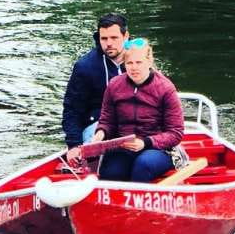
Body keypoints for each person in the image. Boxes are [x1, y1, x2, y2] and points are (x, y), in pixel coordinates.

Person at [75, 38, 184, 183]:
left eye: (139, 62)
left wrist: (146, 142)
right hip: (124, 146)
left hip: (157, 148)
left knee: (143, 165)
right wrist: (100, 133)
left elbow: (175, 133)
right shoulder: (115, 85)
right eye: (129, 63)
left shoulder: (166, 88)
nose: (134, 68)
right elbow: (107, 120)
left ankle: (138, 203)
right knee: (111, 171)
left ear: (149, 62)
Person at [61, 14, 129, 149]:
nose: (109, 43)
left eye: (114, 38)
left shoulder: (139, 59)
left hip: (135, 120)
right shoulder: (85, 67)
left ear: (125, 36)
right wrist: (74, 146)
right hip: (96, 124)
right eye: (104, 38)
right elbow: (72, 110)